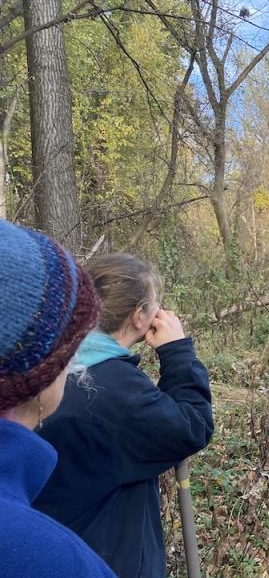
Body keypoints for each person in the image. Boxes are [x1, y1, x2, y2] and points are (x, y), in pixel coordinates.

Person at [34, 252, 214, 578]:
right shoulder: (114, 388)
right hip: (102, 558)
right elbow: (192, 426)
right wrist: (176, 351)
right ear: (139, 316)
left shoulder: (44, 362)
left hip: (45, 547)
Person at [0, 220, 115, 578]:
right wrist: (178, 353)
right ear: (37, 381)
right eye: (70, 355)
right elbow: (186, 428)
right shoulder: (56, 562)